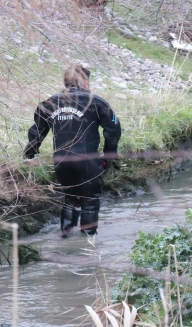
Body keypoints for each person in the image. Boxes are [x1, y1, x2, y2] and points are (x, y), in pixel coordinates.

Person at [24, 65, 121, 237]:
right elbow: (113, 131)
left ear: (65, 81)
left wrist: (29, 154)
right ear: (85, 81)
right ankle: (88, 241)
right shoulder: (96, 102)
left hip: (62, 162)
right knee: (90, 200)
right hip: (88, 161)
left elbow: (36, 133)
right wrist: (108, 155)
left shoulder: (49, 104)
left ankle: (66, 237)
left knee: (70, 200)